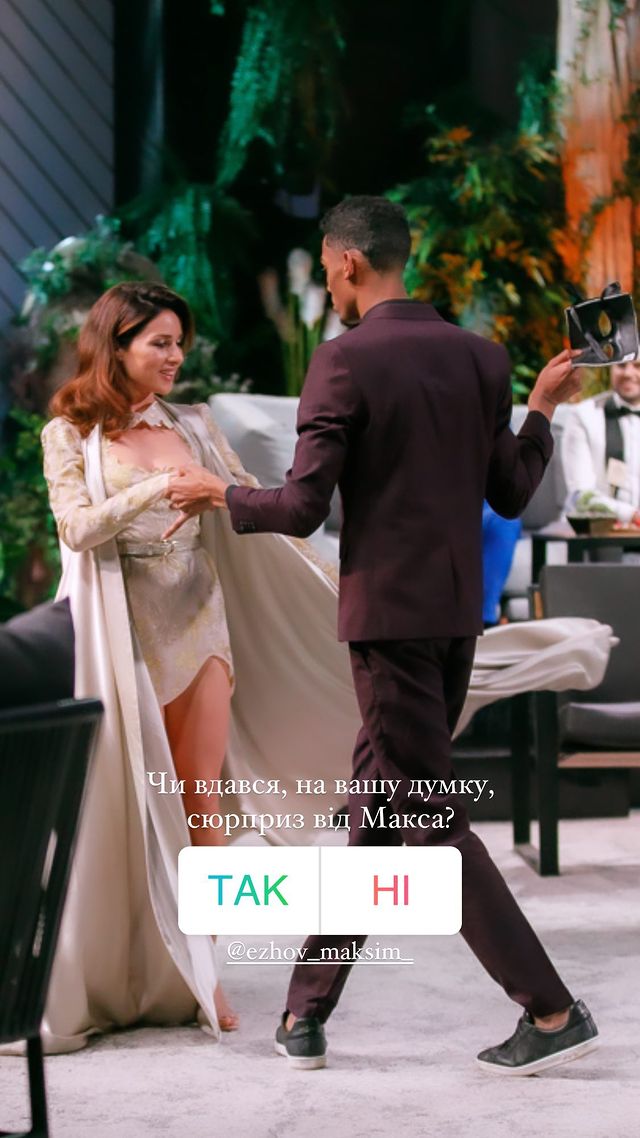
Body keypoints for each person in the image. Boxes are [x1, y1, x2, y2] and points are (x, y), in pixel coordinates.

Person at [165, 196, 600, 1076]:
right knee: (378, 815)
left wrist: (219, 493)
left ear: (349, 263)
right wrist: (541, 410)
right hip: (454, 619)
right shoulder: (483, 358)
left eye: (328, 267)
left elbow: (302, 505)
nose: (329, 284)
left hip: (390, 625)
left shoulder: (342, 359)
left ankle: (551, 1010)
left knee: (426, 818)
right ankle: (305, 1012)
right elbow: (511, 491)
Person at [39, 281, 361, 1053]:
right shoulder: (69, 432)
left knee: (200, 799)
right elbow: (77, 529)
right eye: (160, 343)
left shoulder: (194, 421)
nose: (175, 356)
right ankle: (130, 956)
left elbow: (239, 495)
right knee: (124, 796)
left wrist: (311, 559)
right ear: (116, 345)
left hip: (198, 615)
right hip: (122, 627)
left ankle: (203, 968)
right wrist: (157, 486)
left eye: (180, 343)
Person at [561, 358, 640, 526]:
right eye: (621, 365)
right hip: (597, 530)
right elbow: (581, 495)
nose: (628, 373)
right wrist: (630, 514)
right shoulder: (584, 416)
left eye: (638, 366)